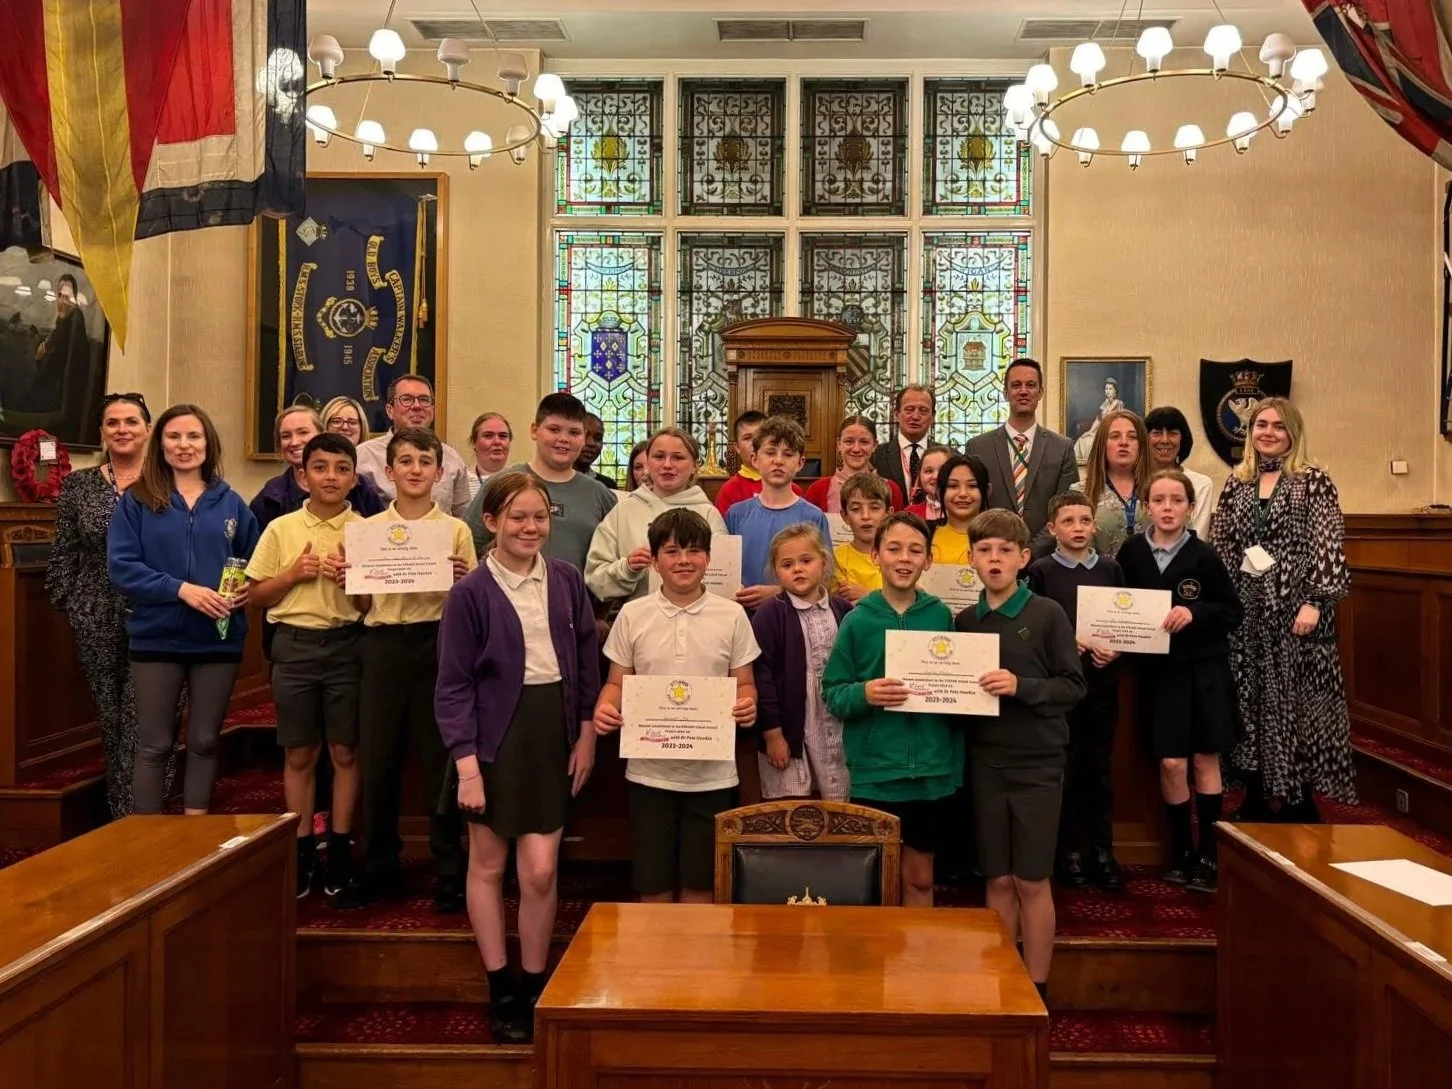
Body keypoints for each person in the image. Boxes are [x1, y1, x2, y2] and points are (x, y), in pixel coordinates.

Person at [435, 472, 599, 1044]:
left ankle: (534, 981)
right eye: (518, 517)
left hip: (549, 733)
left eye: (540, 517)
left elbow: (585, 659)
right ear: (491, 522)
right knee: (487, 865)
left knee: (540, 869)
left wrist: (586, 733)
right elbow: (452, 686)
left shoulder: (567, 579)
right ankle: (500, 985)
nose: (531, 528)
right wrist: (467, 767)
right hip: (491, 741)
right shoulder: (470, 593)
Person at [332, 428, 474, 913]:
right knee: (379, 757)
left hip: (437, 645)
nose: (416, 470)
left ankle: (449, 867)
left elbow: (468, 606)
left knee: (440, 760)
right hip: (382, 645)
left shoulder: (455, 531)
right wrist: (351, 581)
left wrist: (462, 583)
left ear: (440, 471)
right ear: (389, 472)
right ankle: (378, 865)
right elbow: (361, 605)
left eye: (425, 462)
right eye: (406, 462)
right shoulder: (366, 530)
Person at [593, 509, 760, 904]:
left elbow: (745, 682)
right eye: (671, 551)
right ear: (654, 561)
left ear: (709, 558)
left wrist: (747, 704)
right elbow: (617, 682)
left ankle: (694, 949)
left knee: (701, 887)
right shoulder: (633, 614)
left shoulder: (732, 615)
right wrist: (605, 708)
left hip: (712, 776)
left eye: (694, 551)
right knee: (653, 885)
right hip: (649, 774)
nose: (684, 560)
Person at [955, 509, 1086, 1004]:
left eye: (1005, 551)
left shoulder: (1048, 614)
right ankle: (1002, 984)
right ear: (970, 559)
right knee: (998, 878)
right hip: (985, 762)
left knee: (1032, 879)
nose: (995, 559)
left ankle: (1037, 989)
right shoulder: (965, 621)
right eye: (985, 550)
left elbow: (1073, 686)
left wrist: (1021, 686)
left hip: (1038, 764)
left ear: (1024, 557)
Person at [106, 403, 258, 816]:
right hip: (156, 638)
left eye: (194, 436)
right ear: (161, 444)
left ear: (208, 444)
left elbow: (253, 561)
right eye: (174, 436)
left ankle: (195, 832)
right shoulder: (137, 501)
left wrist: (247, 588)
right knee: (155, 744)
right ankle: (148, 837)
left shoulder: (231, 503)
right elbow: (122, 568)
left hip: (217, 639)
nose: (184, 445)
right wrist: (180, 590)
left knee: (205, 741)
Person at [1211, 397, 1353, 822]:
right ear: (1249, 432)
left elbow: (1327, 544)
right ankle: (1255, 794)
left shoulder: (1313, 481)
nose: (1268, 433)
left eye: (1278, 426)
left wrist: (1315, 601)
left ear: (1293, 433)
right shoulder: (1237, 482)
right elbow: (1224, 545)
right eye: (1261, 425)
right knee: (1250, 701)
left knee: (1298, 705)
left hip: (1297, 611)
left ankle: (1298, 800)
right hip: (1247, 612)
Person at [245, 433, 368, 900]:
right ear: (303, 475)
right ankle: (299, 848)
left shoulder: (366, 530)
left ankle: (339, 847)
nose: (330, 477)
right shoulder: (281, 529)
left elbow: (368, 605)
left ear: (354, 478)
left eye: (341, 468)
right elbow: (256, 596)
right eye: (320, 467)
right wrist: (292, 575)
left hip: (347, 646)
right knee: (300, 753)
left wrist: (353, 581)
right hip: (294, 648)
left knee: (345, 752)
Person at [822, 511, 959, 907]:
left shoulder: (940, 615)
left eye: (915, 551)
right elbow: (833, 692)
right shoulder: (857, 621)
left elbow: (956, 688)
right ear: (876, 556)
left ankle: (918, 948)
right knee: (872, 881)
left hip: (931, 772)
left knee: (920, 880)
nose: (904, 558)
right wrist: (865, 693)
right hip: (875, 773)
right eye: (894, 549)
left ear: (928, 560)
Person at [1120, 470, 1243, 892]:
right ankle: (1180, 850)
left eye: (1177, 500)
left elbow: (1232, 612)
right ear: (1146, 507)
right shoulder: (1132, 552)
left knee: (1205, 760)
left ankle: (1208, 851)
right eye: (1159, 500)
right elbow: (1118, 607)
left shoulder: (1203, 555)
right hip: (1159, 674)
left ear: (1190, 508)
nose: (1168, 508)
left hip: (1203, 670)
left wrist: (1195, 613)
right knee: (1171, 763)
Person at [49, 393, 165, 818]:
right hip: (95, 612)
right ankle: (123, 813)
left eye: (131, 421)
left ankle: (148, 808)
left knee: (148, 714)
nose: (122, 429)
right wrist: (70, 602)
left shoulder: (167, 481)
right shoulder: (79, 485)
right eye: (112, 423)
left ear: (148, 429)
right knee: (112, 715)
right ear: (101, 432)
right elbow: (65, 550)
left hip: (156, 610)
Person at [1026, 493, 1126, 892]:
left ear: (1094, 526)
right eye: (1068, 521)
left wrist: (1116, 647)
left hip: (1101, 684)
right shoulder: (1041, 571)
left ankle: (1101, 850)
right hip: (1060, 688)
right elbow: (1035, 627)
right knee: (1063, 769)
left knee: (1098, 769)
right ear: (1053, 528)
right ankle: (1066, 851)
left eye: (1085, 520)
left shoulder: (1111, 569)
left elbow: (1126, 621)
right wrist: (1065, 643)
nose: (1078, 528)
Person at [751, 525, 852, 801]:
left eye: (806, 561)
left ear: (824, 562)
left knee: (837, 803)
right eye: (787, 564)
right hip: (790, 726)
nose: (797, 569)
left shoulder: (843, 610)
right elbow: (762, 677)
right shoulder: (770, 613)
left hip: (836, 722)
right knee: (794, 807)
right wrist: (772, 735)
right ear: (776, 571)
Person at [464, 392, 617, 570]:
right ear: (534, 430)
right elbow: (470, 546)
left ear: (583, 437)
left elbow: (615, 561)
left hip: (577, 588)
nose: (563, 439)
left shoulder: (600, 495)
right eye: (554, 430)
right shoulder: (502, 484)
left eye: (574, 432)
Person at [585, 427, 726, 602]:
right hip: (641, 614)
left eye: (678, 457)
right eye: (659, 457)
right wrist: (627, 568)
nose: (667, 465)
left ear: (695, 466)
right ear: (648, 463)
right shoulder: (624, 511)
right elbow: (596, 579)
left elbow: (723, 577)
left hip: (699, 613)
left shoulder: (708, 514)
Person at [966, 358, 1080, 556]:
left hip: (1046, 558)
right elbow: (973, 506)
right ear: (1005, 393)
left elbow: (1066, 509)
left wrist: (1031, 552)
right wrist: (1003, 550)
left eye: (1031, 385)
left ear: (1040, 392)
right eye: (1016, 385)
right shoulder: (978, 447)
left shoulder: (1062, 448)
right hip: (992, 555)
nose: (1024, 391)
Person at [724, 415, 832, 610]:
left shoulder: (813, 517)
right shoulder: (736, 514)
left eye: (788, 454)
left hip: (795, 614)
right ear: (755, 459)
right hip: (743, 614)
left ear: (800, 463)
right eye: (770, 453)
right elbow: (724, 570)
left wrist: (779, 592)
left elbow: (826, 578)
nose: (778, 461)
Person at [250, 405, 385, 532]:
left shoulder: (361, 488)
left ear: (322, 435)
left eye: (303, 432)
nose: (294, 442)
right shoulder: (271, 496)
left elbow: (381, 536)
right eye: (286, 436)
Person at [355, 375, 472, 516]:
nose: (417, 406)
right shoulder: (363, 456)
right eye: (406, 399)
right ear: (390, 410)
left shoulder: (452, 458)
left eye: (424, 400)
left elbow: (463, 515)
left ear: (433, 410)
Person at [1073, 409, 1152, 559]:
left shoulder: (1160, 491)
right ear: (1102, 444)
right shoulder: (1079, 493)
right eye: (1115, 436)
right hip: (1095, 573)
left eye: (1132, 437)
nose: (1124, 442)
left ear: (1141, 445)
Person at [805, 415, 905, 512]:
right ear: (839, 444)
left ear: (874, 445)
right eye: (849, 441)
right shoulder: (818, 490)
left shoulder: (892, 489)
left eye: (864, 442)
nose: (856, 449)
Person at [713, 410, 804, 514]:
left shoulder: (793, 490)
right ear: (737, 447)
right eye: (747, 438)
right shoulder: (729, 491)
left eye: (759, 437)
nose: (754, 443)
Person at [1145, 406, 1215, 539]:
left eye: (1172, 433)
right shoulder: (1134, 480)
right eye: (1157, 433)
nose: (1165, 440)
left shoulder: (1201, 484)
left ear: (1183, 439)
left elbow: (1198, 538)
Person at [26, 272, 90, 413]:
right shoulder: (62, 326)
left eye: (67, 297)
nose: (61, 301)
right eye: (60, 295)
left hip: (54, 404)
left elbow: (56, 373)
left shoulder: (74, 325)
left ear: (74, 301)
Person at [870, 385, 936, 502]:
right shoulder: (876, 455)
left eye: (923, 410)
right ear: (896, 414)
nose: (915, 416)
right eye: (909, 409)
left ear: (932, 417)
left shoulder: (948, 457)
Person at [832, 472, 889, 603]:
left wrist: (867, 594)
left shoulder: (898, 555)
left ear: (888, 513)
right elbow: (844, 603)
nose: (865, 516)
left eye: (874, 508)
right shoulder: (838, 558)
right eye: (856, 509)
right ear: (845, 516)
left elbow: (907, 599)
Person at [931, 453, 991, 564]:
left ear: (987, 491)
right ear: (939, 492)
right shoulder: (924, 535)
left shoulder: (1000, 537)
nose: (962, 494)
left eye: (972, 486)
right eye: (953, 486)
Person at [1072, 377, 1126, 462]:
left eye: (1110, 389)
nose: (1108, 391)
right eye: (1106, 389)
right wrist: (1090, 432)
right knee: (1083, 440)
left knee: (1092, 443)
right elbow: (1099, 419)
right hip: (1101, 431)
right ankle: (1081, 464)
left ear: (1115, 391)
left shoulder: (1118, 404)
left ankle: (1094, 463)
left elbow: (1121, 422)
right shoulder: (1105, 404)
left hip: (1112, 432)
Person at [467, 411, 514, 501]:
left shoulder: (521, 481)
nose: (497, 442)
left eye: (503, 436)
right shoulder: (461, 482)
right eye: (488, 436)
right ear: (474, 443)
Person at [904, 444, 953, 521]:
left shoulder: (963, 510)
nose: (935, 476)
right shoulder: (910, 514)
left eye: (942, 470)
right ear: (919, 475)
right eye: (929, 471)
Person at [576, 412, 618, 489]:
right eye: (585, 436)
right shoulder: (553, 481)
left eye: (598, 438)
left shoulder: (607, 486)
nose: (591, 443)